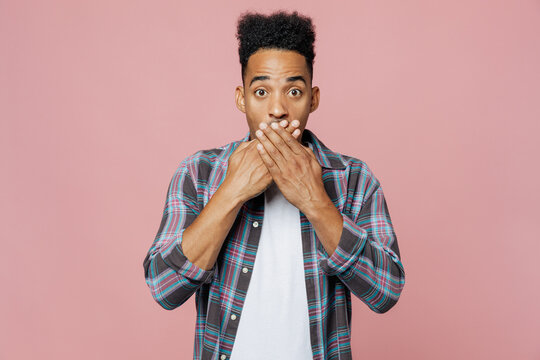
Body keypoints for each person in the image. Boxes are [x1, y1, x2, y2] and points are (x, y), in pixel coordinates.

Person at [143, 10, 405, 360]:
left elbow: (386, 291)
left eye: (293, 91)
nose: (278, 109)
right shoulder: (199, 172)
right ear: (241, 98)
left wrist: (316, 202)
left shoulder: (353, 179)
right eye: (262, 91)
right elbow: (164, 288)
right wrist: (232, 191)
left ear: (313, 99)